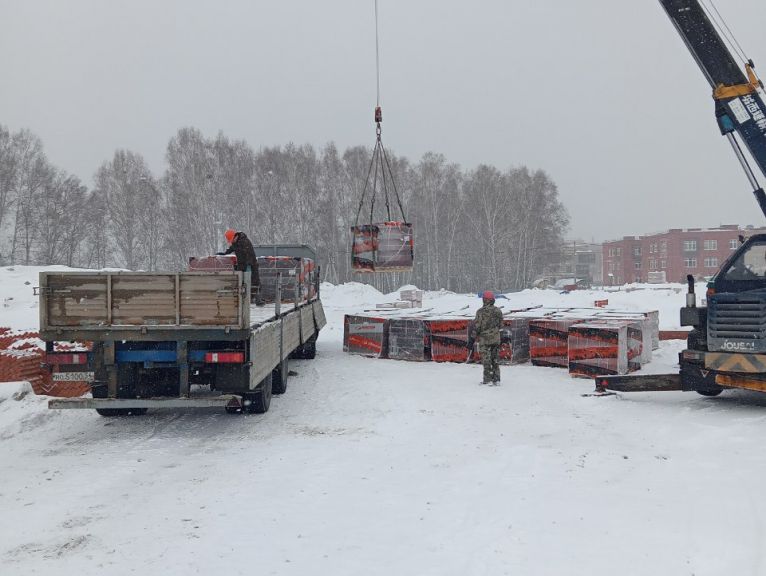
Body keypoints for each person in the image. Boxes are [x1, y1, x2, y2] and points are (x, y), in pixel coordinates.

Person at [219, 229, 264, 306]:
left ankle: (258, 300)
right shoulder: (235, 243)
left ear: (235, 236)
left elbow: (249, 254)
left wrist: (248, 265)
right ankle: (245, 299)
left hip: (251, 265)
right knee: (242, 283)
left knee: (254, 282)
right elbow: (231, 248)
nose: (232, 242)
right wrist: (224, 253)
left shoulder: (244, 242)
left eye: (232, 240)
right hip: (242, 266)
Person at [470, 290, 503, 385]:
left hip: (485, 340)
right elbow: (501, 325)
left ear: (484, 300)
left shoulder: (480, 312)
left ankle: (487, 379)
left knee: (486, 360)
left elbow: (477, 327)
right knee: (495, 360)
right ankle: (496, 379)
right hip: (496, 338)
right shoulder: (498, 311)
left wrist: (472, 338)